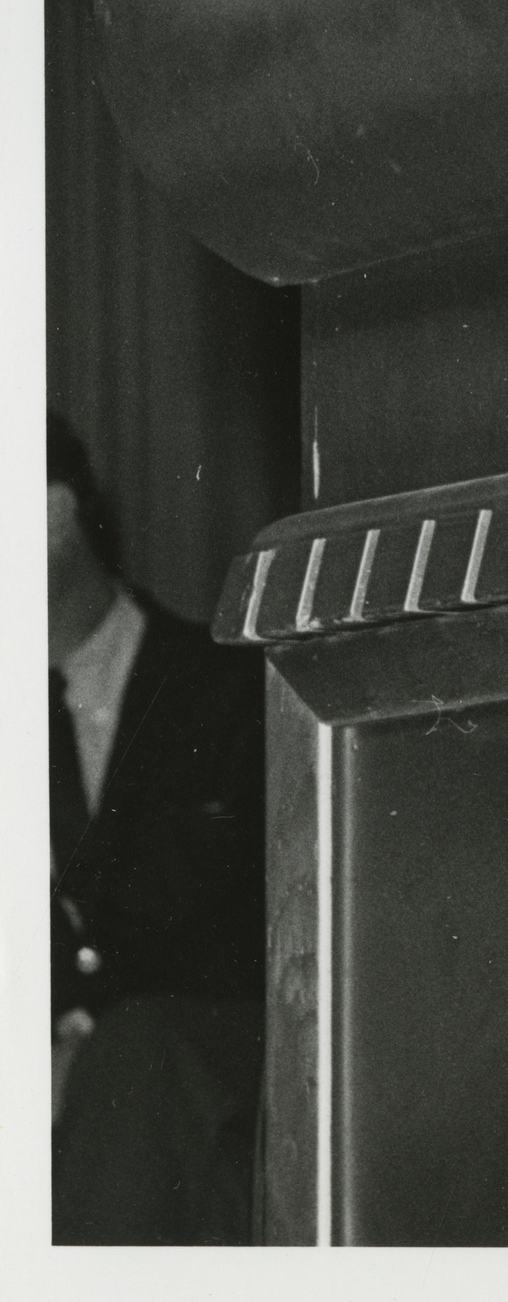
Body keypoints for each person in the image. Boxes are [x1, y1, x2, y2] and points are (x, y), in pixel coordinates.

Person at [50, 410, 267, 1242]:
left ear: (54, 516)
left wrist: (86, 1040)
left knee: (135, 1066)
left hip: (195, 1071)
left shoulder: (228, 686)